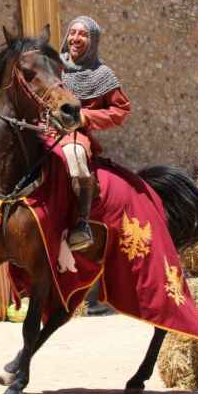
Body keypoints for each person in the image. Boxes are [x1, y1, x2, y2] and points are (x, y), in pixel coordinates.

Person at [57, 16, 132, 251]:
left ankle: (81, 224)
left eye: (83, 34)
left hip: (75, 131)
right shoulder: (53, 65)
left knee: (75, 153)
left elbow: (121, 110)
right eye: (72, 32)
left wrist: (86, 117)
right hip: (44, 126)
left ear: (93, 41)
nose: (75, 38)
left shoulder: (103, 75)